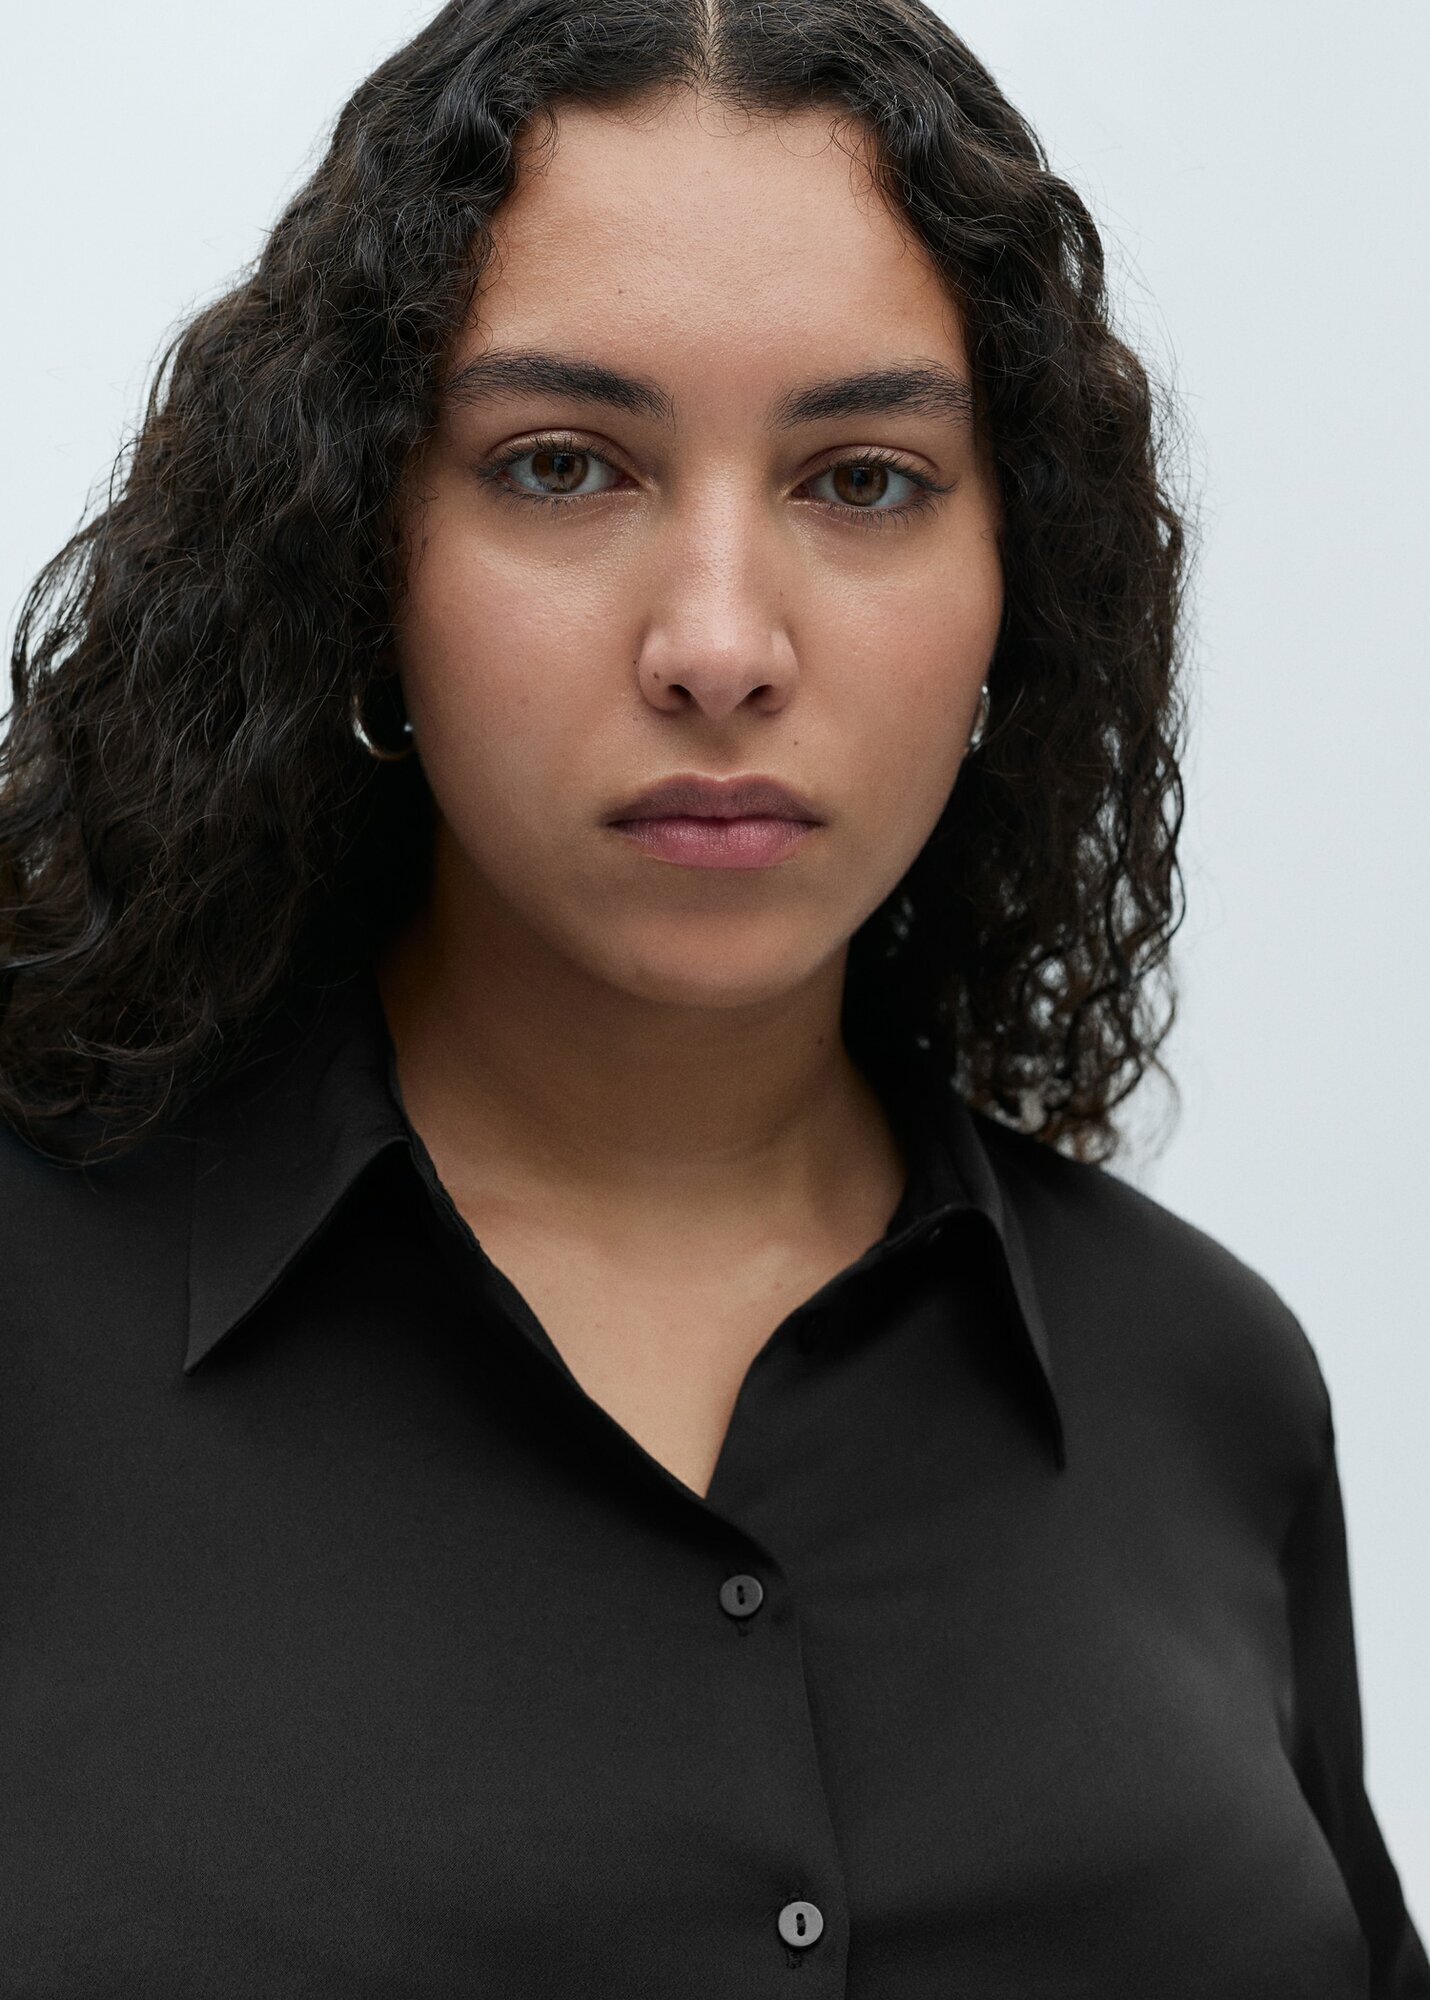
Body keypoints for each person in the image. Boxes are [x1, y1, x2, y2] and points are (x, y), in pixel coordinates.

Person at [0, 0, 1424, 1991]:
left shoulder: (1204, 1384)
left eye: (863, 480)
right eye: (562, 465)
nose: (721, 643)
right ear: (358, 548)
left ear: (1017, 575)